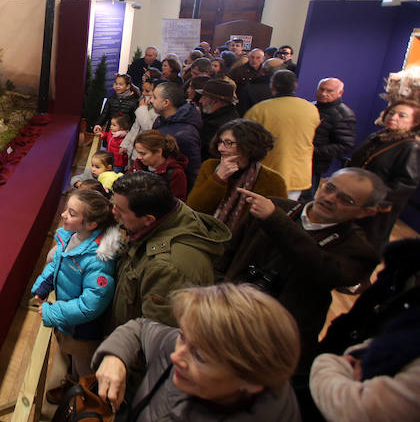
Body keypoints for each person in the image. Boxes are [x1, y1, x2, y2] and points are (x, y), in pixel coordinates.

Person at [215, 167, 382, 409]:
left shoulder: (359, 250)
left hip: (273, 343)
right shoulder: (274, 207)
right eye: (330, 187)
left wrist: (275, 221)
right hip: (225, 315)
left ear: (366, 211)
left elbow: (323, 269)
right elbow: (227, 254)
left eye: (345, 199)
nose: (329, 198)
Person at [93, 284, 301, 421]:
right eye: (183, 336)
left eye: (200, 357)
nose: (176, 357)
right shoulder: (193, 344)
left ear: (252, 381)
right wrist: (115, 356)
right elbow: (140, 329)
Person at [107, 172, 230, 330]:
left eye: (121, 210)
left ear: (148, 219)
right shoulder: (167, 214)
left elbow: (155, 338)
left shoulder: (168, 268)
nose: (114, 212)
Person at [32, 189, 119, 403]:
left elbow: (90, 305)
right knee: (69, 357)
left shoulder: (99, 260)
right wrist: (43, 284)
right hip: (68, 319)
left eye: (71, 213)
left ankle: (85, 403)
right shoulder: (72, 235)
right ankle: (71, 384)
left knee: (84, 369)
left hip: (83, 330)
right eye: (66, 210)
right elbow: (58, 261)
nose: (63, 215)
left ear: (91, 224)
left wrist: (53, 312)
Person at [310, 308, 420, 422]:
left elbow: (359, 410)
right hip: (337, 355)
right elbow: (373, 342)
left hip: (330, 385)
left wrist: (326, 363)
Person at [188, 119, 287, 233]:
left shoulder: (272, 180)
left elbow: (280, 224)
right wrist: (218, 179)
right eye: (220, 142)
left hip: (246, 246)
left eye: (228, 143)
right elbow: (194, 208)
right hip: (206, 237)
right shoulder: (210, 167)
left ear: (248, 146)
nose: (221, 148)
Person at [346, 99, 420, 251]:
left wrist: (374, 202)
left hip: (375, 209)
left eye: (402, 115)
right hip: (355, 199)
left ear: (414, 122)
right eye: (391, 113)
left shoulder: (410, 146)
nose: (393, 117)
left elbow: (405, 184)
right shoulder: (378, 137)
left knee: (363, 246)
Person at [244, 70, 320, 198]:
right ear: (295, 86)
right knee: (285, 212)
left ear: (272, 86)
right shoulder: (311, 109)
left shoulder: (260, 110)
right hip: (298, 173)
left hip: (267, 173)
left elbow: (245, 140)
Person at [304, 77, 356, 200]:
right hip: (298, 160)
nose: (323, 93)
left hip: (315, 165)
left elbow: (345, 145)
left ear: (340, 93)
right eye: (321, 89)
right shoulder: (310, 107)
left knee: (304, 198)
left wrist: (312, 151)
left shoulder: (344, 115)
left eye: (329, 91)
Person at [151, 82, 202, 188]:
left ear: (166, 103)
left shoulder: (185, 134)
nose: (150, 100)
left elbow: (192, 171)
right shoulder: (162, 120)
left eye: (154, 98)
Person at [128, 130, 188, 200]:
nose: (139, 157)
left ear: (159, 152)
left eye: (143, 154)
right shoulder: (138, 165)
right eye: (138, 153)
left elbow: (176, 203)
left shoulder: (175, 174)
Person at [197, 79, 240, 161]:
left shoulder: (215, 125)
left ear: (216, 101)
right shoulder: (232, 115)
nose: (200, 101)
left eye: (204, 97)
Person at [119, 78, 159, 163]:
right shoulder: (145, 104)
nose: (143, 93)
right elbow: (135, 127)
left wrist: (142, 108)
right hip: (132, 151)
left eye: (147, 91)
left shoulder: (158, 111)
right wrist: (125, 145)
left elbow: (149, 129)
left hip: (144, 155)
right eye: (143, 90)